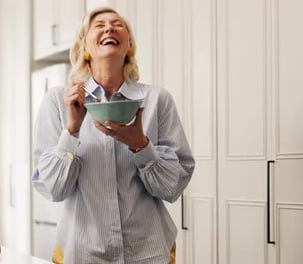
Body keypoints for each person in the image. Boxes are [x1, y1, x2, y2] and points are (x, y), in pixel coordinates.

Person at [32, 6, 195, 264]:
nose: (109, 27)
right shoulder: (58, 101)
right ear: (85, 45)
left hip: (148, 253)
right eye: (99, 25)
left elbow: (172, 187)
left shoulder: (156, 100)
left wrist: (140, 145)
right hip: (82, 253)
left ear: (129, 44)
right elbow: (54, 189)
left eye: (118, 24)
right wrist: (71, 130)